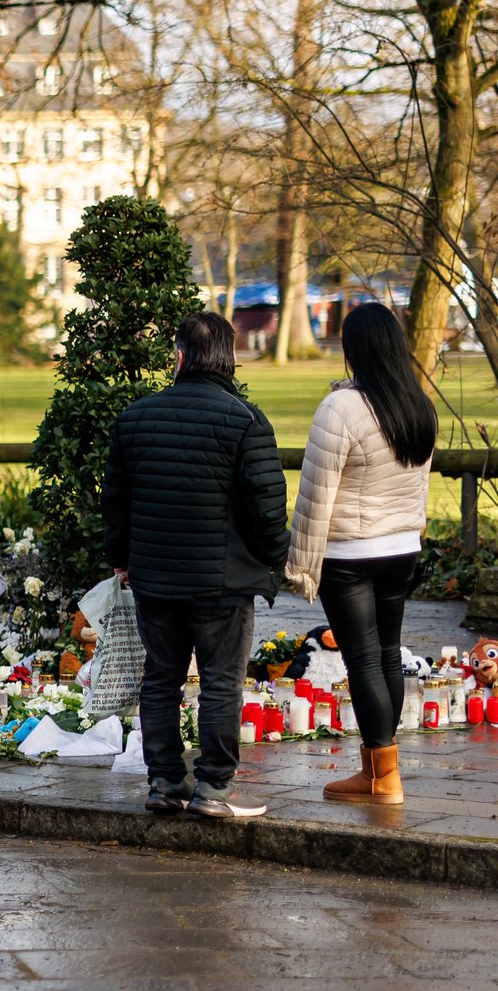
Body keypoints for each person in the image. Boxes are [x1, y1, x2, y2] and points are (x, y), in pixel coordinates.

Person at [103, 311, 290, 819]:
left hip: (155, 579)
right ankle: (214, 788)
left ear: (180, 357)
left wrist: (121, 558)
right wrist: (274, 561)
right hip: (222, 584)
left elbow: (116, 501)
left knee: (161, 678)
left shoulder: (135, 418)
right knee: (221, 681)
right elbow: (267, 509)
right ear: (229, 360)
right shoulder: (247, 421)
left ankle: (164, 781)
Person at [285, 302, 434, 805]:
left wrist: (301, 564)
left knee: (364, 659)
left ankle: (381, 775)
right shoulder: (418, 404)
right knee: (387, 653)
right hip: (401, 548)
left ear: (354, 350)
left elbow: (315, 493)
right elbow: (419, 486)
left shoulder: (341, 409)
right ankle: (379, 767)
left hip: (349, 552)